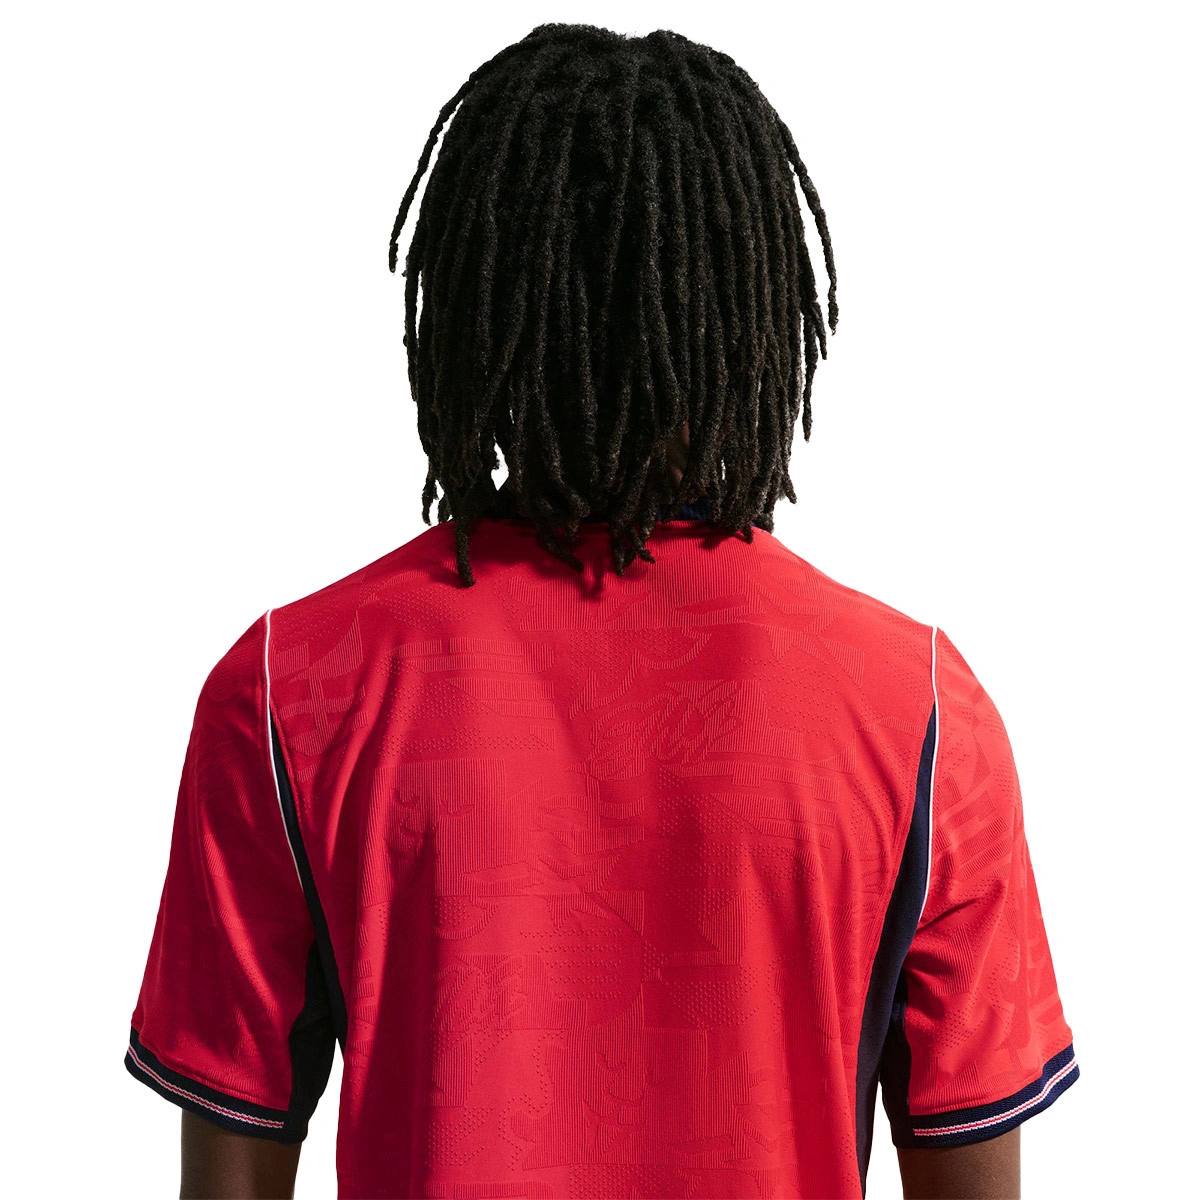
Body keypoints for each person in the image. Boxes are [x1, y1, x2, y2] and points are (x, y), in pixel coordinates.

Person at [124, 22, 1077, 1200]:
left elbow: (230, 1174)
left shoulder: (289, 690)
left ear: (474, 299)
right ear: (750, 306)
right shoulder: (920, 709)